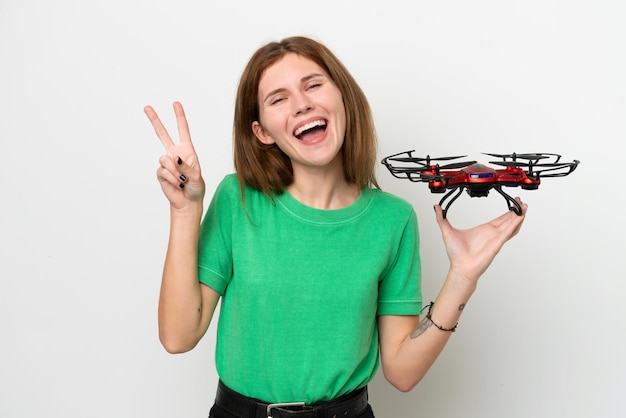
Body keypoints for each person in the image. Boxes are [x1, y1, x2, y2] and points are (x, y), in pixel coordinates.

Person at [144, 35, 527, 418]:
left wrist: (463, 276)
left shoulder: (392, 220)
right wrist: (185, 211)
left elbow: (403, 372)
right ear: (262, 132)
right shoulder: (237, 199)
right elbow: (178, 337)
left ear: (342, 98)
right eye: (279, 99)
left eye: (313, 85)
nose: (302, 103)